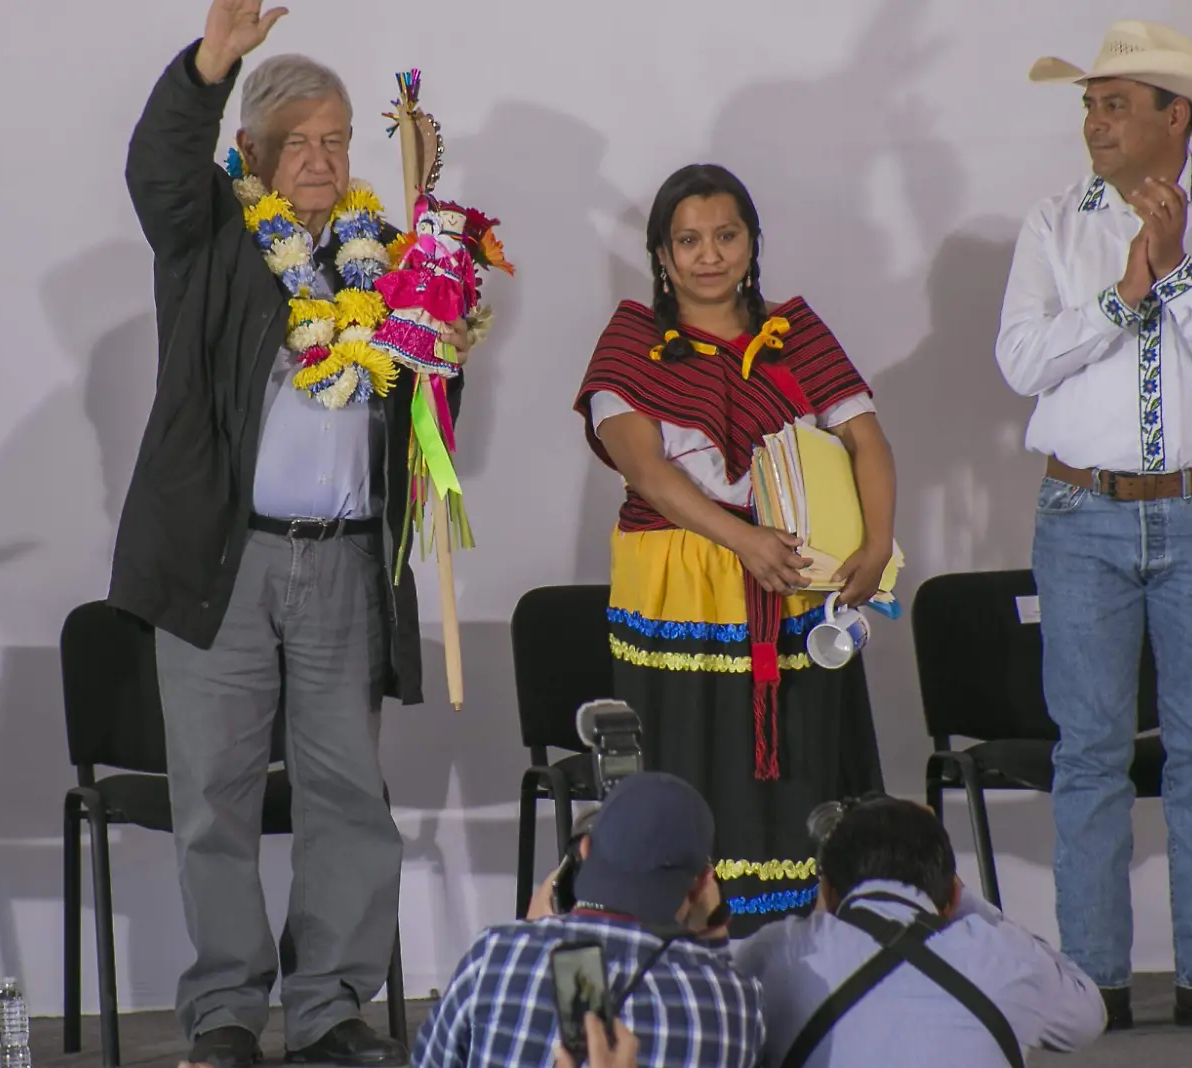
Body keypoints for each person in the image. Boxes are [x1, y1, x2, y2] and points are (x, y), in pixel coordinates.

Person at [112, 2, 484, 1066]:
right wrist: (214, 62)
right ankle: (226, 1010)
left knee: (344, 799)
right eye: (297, 144)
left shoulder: (390, 261)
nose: (318, 160)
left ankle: (329, 1011)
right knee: (215, 798)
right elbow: (159, 173)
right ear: (256, 156)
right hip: (218, 565)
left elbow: (423, 405)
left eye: (333, 141)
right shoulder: (213, 241)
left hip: (345, 563)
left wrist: (443, 345)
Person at [995, 21, 1192, 1031]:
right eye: (1087, 104)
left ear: (1175, 115)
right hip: (1081, 511)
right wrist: (1127, 291)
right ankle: (1094, 986)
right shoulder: (1053, 222)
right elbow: (1021, 362)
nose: (1092, 122)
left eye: (1111, 103)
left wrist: (1175, 272)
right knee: (1089, 753)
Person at [574, 164, 895, 932]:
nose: (709, 255)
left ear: (753, 243)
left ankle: (809, 950)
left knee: (804, 761)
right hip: (679, 589)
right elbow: (645, 471)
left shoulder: (796, 333)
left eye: (726, 236)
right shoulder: (633, 343)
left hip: (792, 583)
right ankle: (689, 943)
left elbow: (867, 441)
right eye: (688, 240)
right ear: (660, 254)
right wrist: (743, 540)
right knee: (691, 758)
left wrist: (877, 543)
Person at [416, 772, 765, 1068]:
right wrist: (714, 938)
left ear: (583, 851)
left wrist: (530, 932)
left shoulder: (494, 954)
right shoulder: (732, 1001)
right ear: (699, 888)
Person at [737, 796, 1106, 1067]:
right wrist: (974, 907)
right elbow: (1088, 1017)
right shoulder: (1004, 951)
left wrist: (818, 920)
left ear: (828, 890)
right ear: (955, 895)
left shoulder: (779, 951)